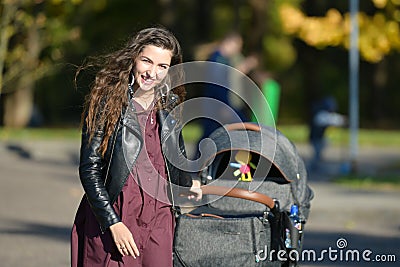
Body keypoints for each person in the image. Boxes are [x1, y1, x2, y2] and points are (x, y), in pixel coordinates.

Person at [71, 27, 202, 267]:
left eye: (162, 66)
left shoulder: (170, 104)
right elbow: (89, 169)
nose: (152, 72)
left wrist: (191, 180)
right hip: (117, 213)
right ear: (133, 58)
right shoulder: (106, 101)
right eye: (147, 61)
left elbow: (176, 157)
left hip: (159, 216)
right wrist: (112, 222)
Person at [199, 31, 258, 140]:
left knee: (210, 135)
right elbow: (217, 85)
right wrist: (224, 105)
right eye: (238, 46)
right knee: (210, 135)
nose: (238, 50)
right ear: (229, 42)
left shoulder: (224, 59)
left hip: (217, 103)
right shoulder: (218, 60)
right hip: (216, 104)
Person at [308, 96, 346, 171]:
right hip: (315, 138)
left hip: (319, 137)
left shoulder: (320, 113)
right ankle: (312, 168)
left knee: (324, 146)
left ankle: (315, 167)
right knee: (317, 154)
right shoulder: (321, 115)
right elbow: (331, 119)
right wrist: (342, 120)